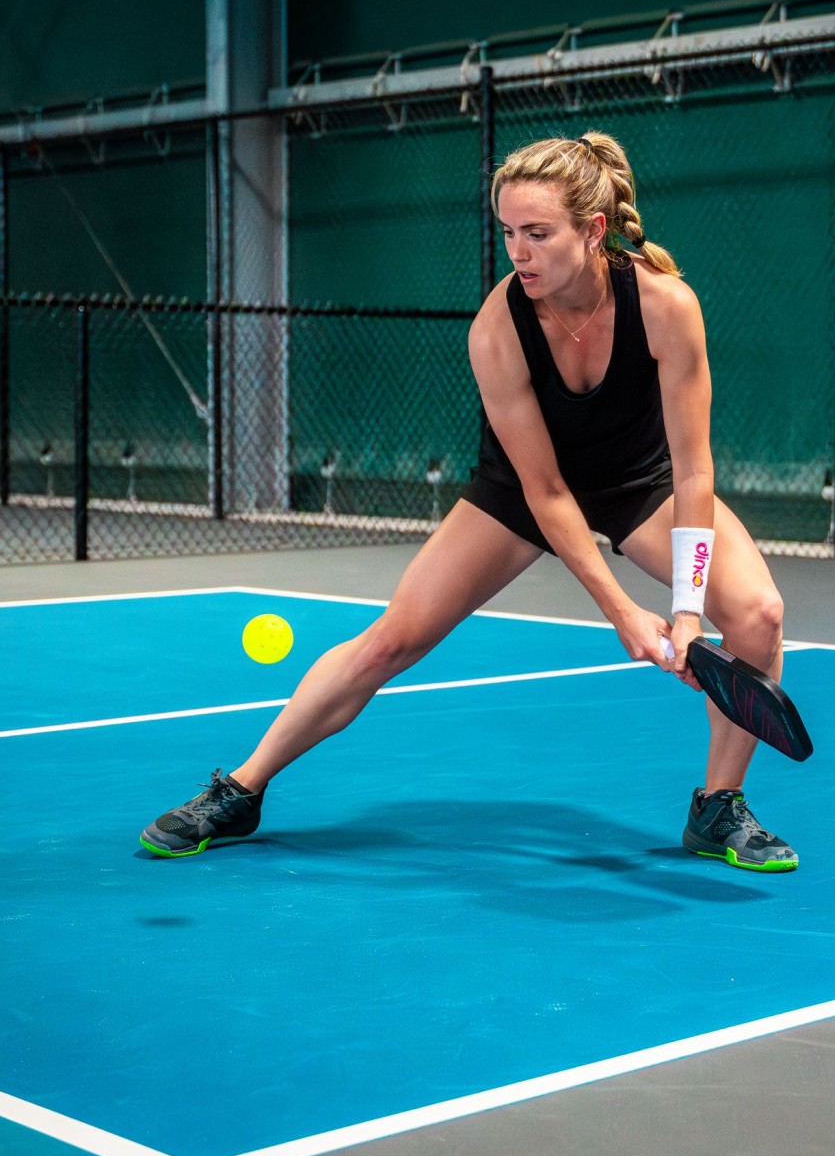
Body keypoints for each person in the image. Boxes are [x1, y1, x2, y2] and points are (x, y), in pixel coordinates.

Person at [140, 132, 797, 873]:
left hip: (640, 483)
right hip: (520, 491)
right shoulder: (497, 328)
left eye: (538, 234)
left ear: (593, 230)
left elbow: (694, 468)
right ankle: (240, 790)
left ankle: (717, 809)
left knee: (758, 613)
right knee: (392, 639)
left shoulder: (666, 306)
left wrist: (684, 605)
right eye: (509, 233)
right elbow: (547, 493)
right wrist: (622, 610)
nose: (519, 252)